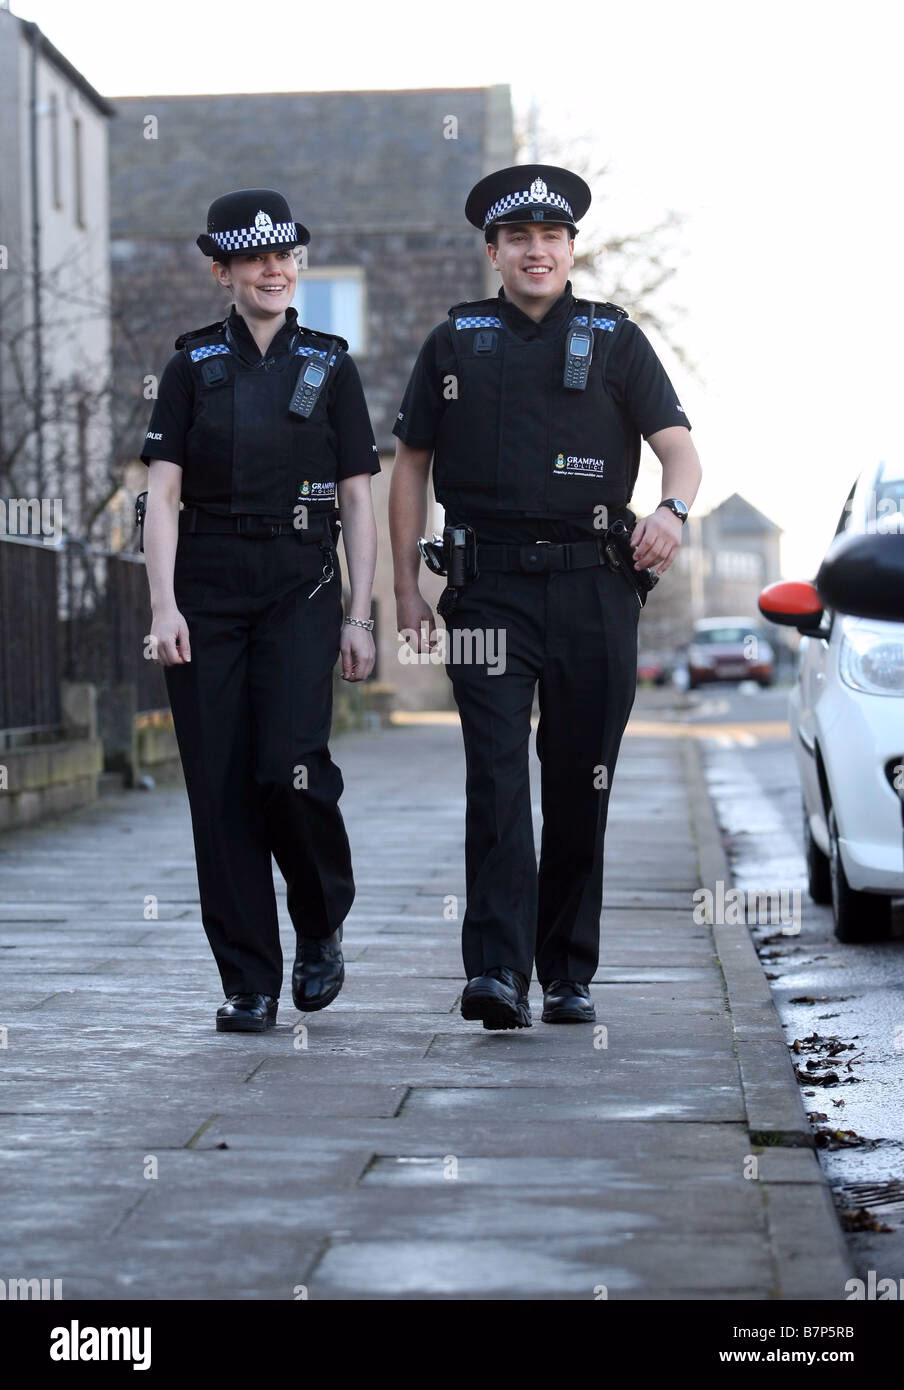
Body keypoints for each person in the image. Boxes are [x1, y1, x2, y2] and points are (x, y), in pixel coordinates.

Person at [389, 164, 702, 1030]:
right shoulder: (453, 345)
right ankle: (495, 971)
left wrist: (673, 512)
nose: (536, 251)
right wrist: (407, 592)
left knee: (578, 782)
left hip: (597, 589)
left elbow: (679, 450)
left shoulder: (615, 340)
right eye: (518, 238)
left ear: (571, 249)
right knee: (494, 775)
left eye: (551, 238)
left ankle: (566, 971)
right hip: (486, 593)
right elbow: (409, 464)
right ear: (493, 251)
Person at [141, 189, 379, 1033]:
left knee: (289, 768)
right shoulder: (190, 367)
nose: (272, 269)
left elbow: (357, 497)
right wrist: (164, 604)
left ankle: (319, 917)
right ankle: (248, 980)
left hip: (298, 586)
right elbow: (160, 496)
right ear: (224, 271)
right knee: (220, 787)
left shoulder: (331, 364)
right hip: (205, 590)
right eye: (252, 258)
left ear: (296, 265)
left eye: (284, 256)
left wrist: (360, 615)